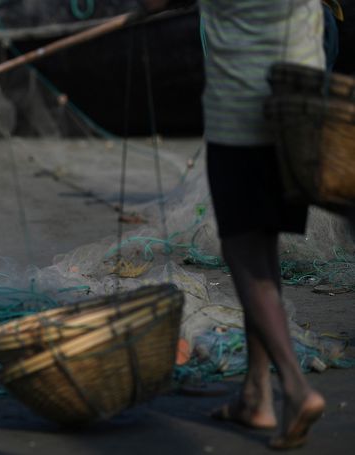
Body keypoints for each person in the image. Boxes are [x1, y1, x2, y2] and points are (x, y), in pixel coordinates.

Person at [140, 0, 327, 449]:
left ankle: (296, 389)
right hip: (302, 98)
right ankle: (256, 395)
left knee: (243, 252)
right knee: (263, 247)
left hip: (243, 110)